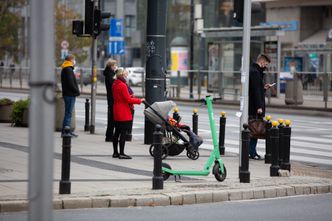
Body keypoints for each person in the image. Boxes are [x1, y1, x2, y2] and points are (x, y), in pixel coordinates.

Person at [112, 68, 143, 159]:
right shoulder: (123, 85)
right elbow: (128, 100)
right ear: (121, 75)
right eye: (125, 74)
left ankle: (115, 152)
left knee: (117, 132)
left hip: (116, 109)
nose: (126, 75)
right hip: (123, 111)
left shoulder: (114, 84)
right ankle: (122, 153)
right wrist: (139, 100)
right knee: (123, 133)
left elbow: (121, 97)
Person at [248, 54, 273, 160]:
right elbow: (255, 91)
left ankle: (252, 151)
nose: (266, 66)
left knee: (254, 129)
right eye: (266, 64)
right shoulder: (255, 72)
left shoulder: (255, 71)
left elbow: (257, 89)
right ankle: (252, 152)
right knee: (255, 129)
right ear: (262, 62)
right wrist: (259, 106)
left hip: (253, 105)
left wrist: (264, 88)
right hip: (254, 106)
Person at [61, 54, 80, 137]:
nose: (74, 61)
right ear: (71, 60)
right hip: (70, 94)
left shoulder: (66, 68)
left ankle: (66, 130)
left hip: (68, 93)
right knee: (68, 113)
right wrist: (77, 91)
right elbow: (70, 83)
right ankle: (66, 132)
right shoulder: (68, 69)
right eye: (74, 59)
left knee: (68, 113)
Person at [103, 59, 117, 142]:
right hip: (112, 98)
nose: (115, 67)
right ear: (111, 66)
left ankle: (109, 135)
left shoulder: (110, 73)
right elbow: (113, 84)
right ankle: (109, 136)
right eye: (114, 65)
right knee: (112, 117)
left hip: (111, 97)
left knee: (112, 117)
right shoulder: (110, 74)